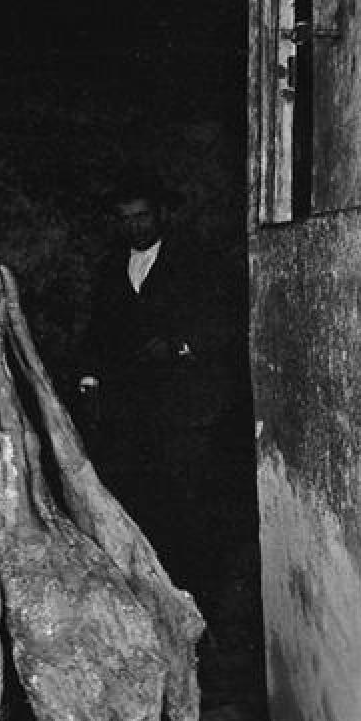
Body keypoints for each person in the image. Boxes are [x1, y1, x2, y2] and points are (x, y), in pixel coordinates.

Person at [77, 168, 249, 597]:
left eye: (142, 216)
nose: (135, 225)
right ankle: (152, 586)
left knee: (189, 501)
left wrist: (178, 346)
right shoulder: (110, 268)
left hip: (186, 407)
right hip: (133, 408)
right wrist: (90, 378)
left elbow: (223, 323)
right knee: (142, 496)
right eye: (126, 218)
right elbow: (97, 330)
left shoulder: (195, 264)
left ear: (160, 216)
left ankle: (199, 589)